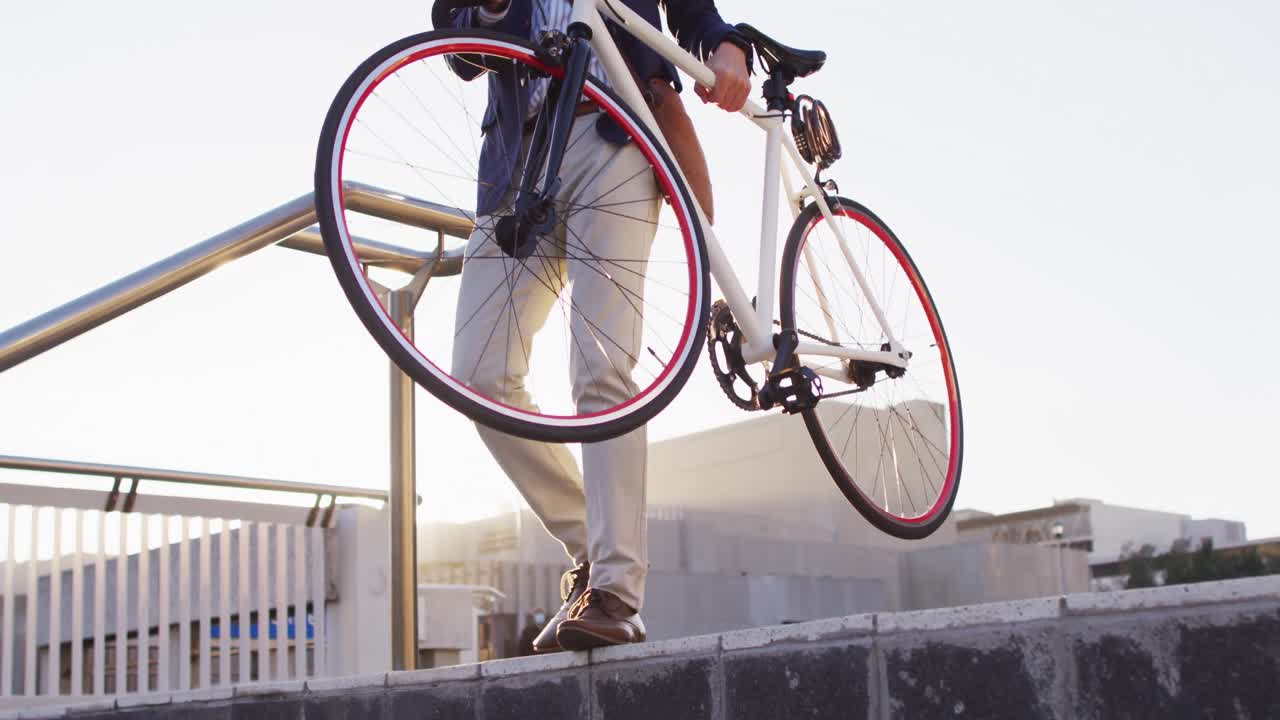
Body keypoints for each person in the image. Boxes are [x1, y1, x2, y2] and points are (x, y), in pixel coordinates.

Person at [433, 0, 752, 651]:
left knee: (601, 363)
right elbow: (458, 41)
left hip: (618, 133)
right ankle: (592, 540)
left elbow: (689, 8)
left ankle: (614, 589)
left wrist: (722, 43)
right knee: (478, 373)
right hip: (522, 158)